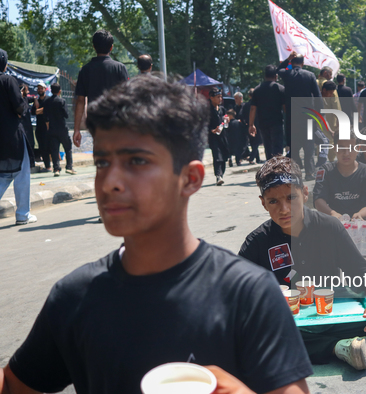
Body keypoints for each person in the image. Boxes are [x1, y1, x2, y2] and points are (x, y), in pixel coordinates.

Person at [0, 77, 313, 394]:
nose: (110, 182)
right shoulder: (75, 298)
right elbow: (14, 384)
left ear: (190, 178)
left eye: (137, 161)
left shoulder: (249, 295)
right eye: (102, 162)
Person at [239, 156, 366, 370]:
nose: (284, 209)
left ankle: (314, 348)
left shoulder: (329, 227)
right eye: (274, 201)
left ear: (305, 193)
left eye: (290, 197)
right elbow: (236, 293)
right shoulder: (257, 242)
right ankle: (338, 348)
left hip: (331, 315)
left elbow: (360, 271)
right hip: (288, 325)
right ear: (263, 203)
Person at [313, 136, 366, 246]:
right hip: (334, 219)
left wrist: (359, 215)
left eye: (351, 148)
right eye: (341, 148)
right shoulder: (325, 170)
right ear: (334, 148)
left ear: (358, 149)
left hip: (360, 220)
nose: (346, 153)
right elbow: (318, 199)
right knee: (310, 220)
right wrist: (333, 214)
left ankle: (343, 237)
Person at [73, 29, 129, 147]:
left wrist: (76, 129)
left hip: (95, 121)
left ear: (94, 47)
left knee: (101, 152)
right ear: (111, 47)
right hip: (116, 120)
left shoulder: (85, 70)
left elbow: (80, 101)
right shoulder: (120, 68)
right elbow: (127, 98)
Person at [0, 48, 37, 225]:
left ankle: (23, 214)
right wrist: (23, 98)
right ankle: (23, 214)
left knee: (3, 175)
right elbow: (20, 107)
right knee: (22, 173)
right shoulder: (8, 80)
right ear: (4, 64)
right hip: (12, 134)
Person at [278, 51, 321, 181]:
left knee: (294, 146)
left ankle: (296, 173)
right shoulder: (310, 75)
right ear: (303, 63)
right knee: (309, 145)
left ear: (292, 63)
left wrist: (287, 60)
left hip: (292, 116)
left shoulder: (287, 74)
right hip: (308, 115)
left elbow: (278, 70)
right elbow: (318, 97)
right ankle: (310, 172)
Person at [250, 65, 286, 160]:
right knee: (277, 148)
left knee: (268, 148)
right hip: (277, 123)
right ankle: (277, 170)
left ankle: (270, 170)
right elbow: (285, 107)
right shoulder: (280, 88)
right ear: (276, 76)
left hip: (263, 124)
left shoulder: (257, 90)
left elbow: (253, 108)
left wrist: (251, 125)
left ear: (265, 76)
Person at [45, 83, 75, 176]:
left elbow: (45, 116)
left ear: (51, 90)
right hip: (62, 128)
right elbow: (66, 114)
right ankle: (69, 167)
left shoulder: (47, 101)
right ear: (59, 91)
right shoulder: (62, 101)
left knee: (54, 150)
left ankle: (56, 169)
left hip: (52, 129)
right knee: (68, 147)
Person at [208, 87, 230, 185]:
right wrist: (212, 130)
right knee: (217, 156)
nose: (220, 99)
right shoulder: (208, 110)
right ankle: (218, 176)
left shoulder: (222, 109)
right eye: (218, 97)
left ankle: (222, 174)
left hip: (223, 136)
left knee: (224, 155)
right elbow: (204, 124)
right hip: (213, 137)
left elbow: (225, 122)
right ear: (211, 98)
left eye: (221, 97)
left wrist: (227, 120)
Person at [321, 80, 340, 162]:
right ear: (324, 90)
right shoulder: (317, 99)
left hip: (325, 123)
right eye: (330, 93)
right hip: (323, 123)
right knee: (328, 142)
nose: (331, 95)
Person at [34, 82, 51, 172]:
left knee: (49, 146)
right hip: (39, 128)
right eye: (38, 88)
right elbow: (34, 112)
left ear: (45, 89)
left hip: (48, 127)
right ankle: (47, 166)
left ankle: (52, 166)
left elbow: (48, 110)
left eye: (41, 88)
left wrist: (40, 110)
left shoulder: (48, 100)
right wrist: (41, 109)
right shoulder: (36, 101)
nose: (40, 90)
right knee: (42, 147)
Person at [19, 84, 36, 152]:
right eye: (27, 90)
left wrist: (36, 101)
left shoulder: (26, 99)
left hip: (28, 127)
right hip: (21, 127)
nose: (28, 92)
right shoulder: (18, 100)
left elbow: (34, 98)